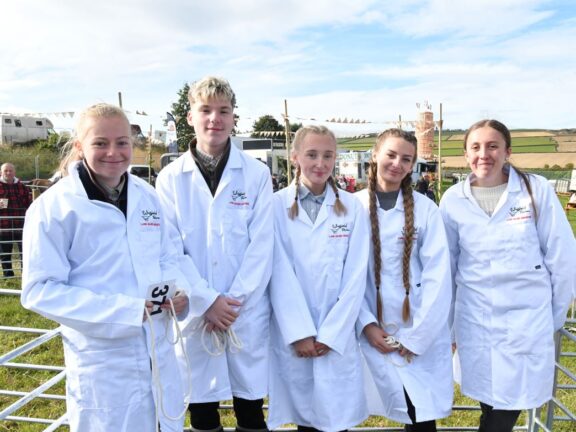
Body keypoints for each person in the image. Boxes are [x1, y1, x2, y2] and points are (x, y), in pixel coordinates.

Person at [20, 103, 192, 432]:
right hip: (105, 361)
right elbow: (40, 290)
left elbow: (169, 256)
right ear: (79, 147)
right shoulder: (54, 208)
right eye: (100, 143)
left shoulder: (147, 196)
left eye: (122, 142)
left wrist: (178, 291)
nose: (113, 152)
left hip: (158, 347)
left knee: (163, 422)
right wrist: (126, 311)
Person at [439, 119, 576, 432]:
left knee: (507, 409)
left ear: (508, 151)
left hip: (525, 322)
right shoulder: (453, 200)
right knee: (489, 402)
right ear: (465, 153)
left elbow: (563, 257)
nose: (483, 154)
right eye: (475, 147)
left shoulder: (534, 190)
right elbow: (446, 267)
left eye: (492, 146)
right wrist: (448, 329)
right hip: (474, 320)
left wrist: (551, 318)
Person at [155, 76, 274, 432]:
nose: (214, 119)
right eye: (205, 110)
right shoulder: (170, 178)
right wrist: (207, 301)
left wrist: (231, 302)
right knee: (202, 409)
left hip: (243, 310)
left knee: (251, 407)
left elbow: (262, 246)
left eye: (224, 111)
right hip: (196, 310)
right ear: (190, 116)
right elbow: (170, 249)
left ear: (234, 117)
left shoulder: (256, 174)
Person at [267, 125, 369, 432]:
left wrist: (331, 333)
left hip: (334, 337)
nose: (320, 163)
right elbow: (278, 273)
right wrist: (299, 332)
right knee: (305, 419)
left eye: (328, 156)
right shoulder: (274, 207)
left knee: (336, 419)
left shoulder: (352, 208)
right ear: (295, 156)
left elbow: (356, 277)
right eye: (312, 155)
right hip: (294, 335)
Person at [356, 129, 453, 431]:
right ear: (375, 155)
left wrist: (418, 337)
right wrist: (367, 325)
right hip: (368, 324)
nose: (397, 163)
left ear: (413, 166)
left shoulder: (426, 210)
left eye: (406, 159)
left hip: (417, 326)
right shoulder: (351, 207)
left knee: (419, 413)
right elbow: (343, 277)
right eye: (391, 154)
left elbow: (439, 276)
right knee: (347, 405)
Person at [0, 162, 31, 277]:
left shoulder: (21, 186)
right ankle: (8, 276)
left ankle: (25, 275)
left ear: (14, 172)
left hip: (21, 224)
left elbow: (29, 204)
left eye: (10, 171)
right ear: (1, 173)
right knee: (5, 252)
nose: (8, 173)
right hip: (3, 225)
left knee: (24, 251)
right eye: (5, 171)